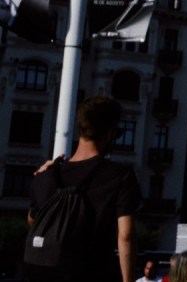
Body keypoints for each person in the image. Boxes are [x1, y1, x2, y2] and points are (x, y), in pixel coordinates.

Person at [23, 96, 141, 282]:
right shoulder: (120, 175)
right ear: (110, 133)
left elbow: (33, 220)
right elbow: (125, 235)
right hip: (92, 272)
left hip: (41, 271)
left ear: (80, 129)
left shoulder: (46, 175)